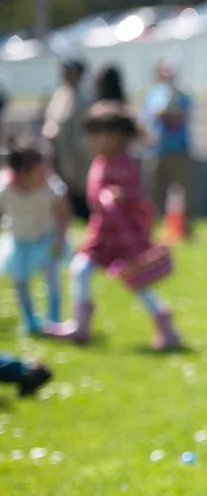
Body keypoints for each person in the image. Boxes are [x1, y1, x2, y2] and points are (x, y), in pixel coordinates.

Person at [44, 103, 183, 351]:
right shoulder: (100, 162)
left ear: (115, 137)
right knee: (80, 269)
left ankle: (165, 326)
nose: (91, 141)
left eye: (96, 135)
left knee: (137, 281)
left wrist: (121, 195)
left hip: (123, 236)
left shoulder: (124, 164)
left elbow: (134, 193)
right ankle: (81, 324)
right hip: (102, 236)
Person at [0, 138, 69, 336]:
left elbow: (64, 214)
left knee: (52, 281)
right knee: (20, 282)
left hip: (46, 239)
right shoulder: (4, 188)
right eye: (39, 170)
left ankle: (53, 322)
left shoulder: (52, 186)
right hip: (19, 240)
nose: (45, 173)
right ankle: (30, 321)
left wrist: (60, 239)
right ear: (21, 173)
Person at [141, 60, 195, 240]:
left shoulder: (183, 95)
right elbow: (148, 118)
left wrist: (165, 113)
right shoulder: (153, 93)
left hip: (179, 151)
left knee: (185, 192)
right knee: (153, 193)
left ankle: (186, 230)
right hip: (156, 151)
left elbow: (179, 116)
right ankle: (150, 230)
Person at [41, 59, 91, 222]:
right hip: (58, 150)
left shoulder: (84, 97)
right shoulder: (60, 94)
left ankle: (83, 217)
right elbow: (51, 118)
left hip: (77, 152)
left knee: (79, 186)